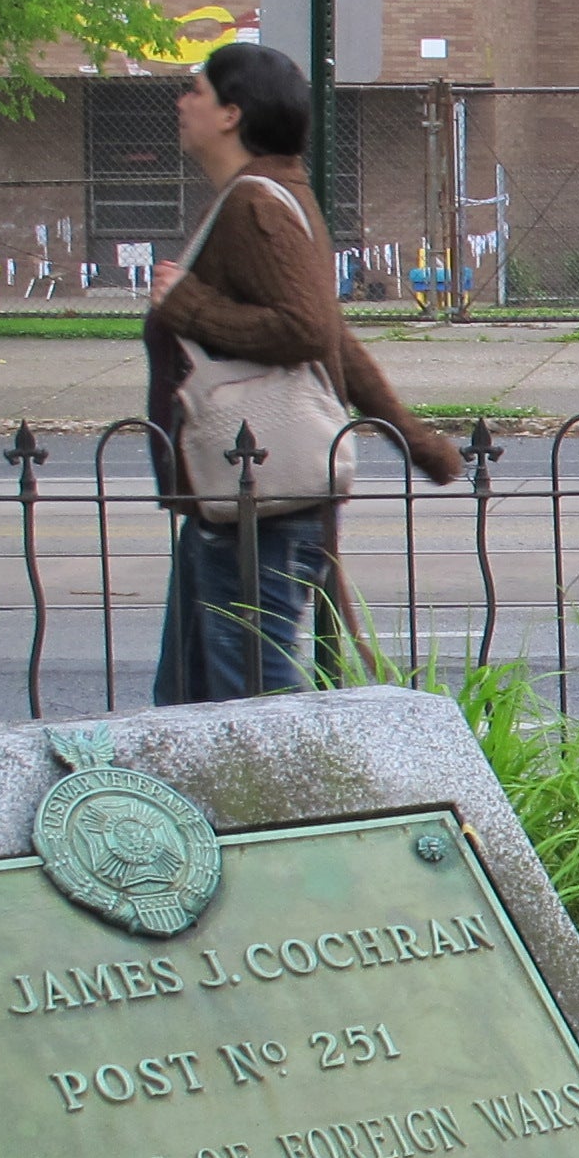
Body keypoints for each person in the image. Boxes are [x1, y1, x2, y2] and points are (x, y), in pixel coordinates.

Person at [144, 42, 460, 701]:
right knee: (186, 707)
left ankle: (285, 808)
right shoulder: (264, 195)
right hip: (233, 501)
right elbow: (333, 341)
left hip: (258, 502)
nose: (181, 103)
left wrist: (187, 304)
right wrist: (418, 443)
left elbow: (307, 330)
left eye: (195, 90)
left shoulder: (255, 206)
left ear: (231, 113)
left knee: (251, 708)